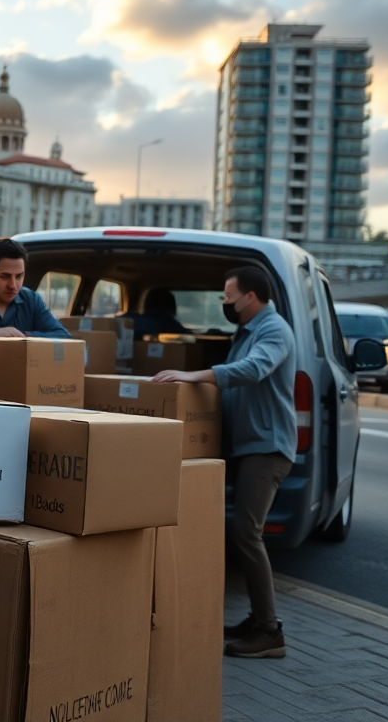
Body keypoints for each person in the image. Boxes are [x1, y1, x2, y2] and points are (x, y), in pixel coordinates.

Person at [152, 266, 295, 660]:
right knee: (244, 532)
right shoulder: (248, 331)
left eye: (228, 297)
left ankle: (269, 632)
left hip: (267, 448)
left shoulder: (274, 330)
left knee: (247, 534)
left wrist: (195, 375)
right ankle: (257, 620)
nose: (225, 303)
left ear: (250, 297)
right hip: (250, 445)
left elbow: (253, 370)